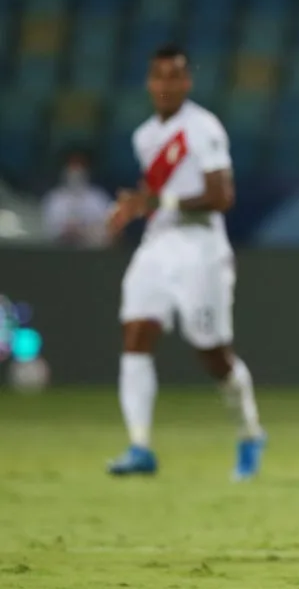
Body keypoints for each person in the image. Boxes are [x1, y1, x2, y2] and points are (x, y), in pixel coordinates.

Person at [106, 44, 265, 480]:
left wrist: (159, 199)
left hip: (201, 250)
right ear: (149, 82)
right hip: (157, 246)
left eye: (174, 76)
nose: (165, 84)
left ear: (186, 82)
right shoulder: (143, 136)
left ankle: (250, 432)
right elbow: (155, 193)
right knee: (136, 332)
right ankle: (139, 446)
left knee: (213, 354)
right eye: (158, 76)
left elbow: (221, 197)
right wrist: (134, 207)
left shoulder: (202, 128)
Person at [40, 149, 111, 248]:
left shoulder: (98, 198)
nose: (76, 170)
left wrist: (84, 233)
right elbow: (46, 232)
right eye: (73, 165)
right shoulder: (54, 199)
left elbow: (108, 233)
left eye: (80, 165)